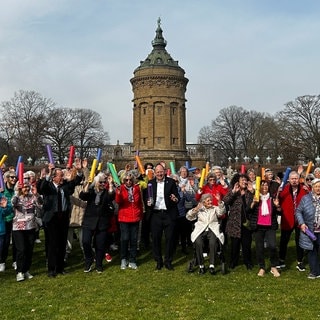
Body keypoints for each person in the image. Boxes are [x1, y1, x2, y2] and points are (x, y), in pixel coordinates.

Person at [38, 161, 83, 277]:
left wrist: (78, 170)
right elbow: (41, 187)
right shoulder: (48, 186)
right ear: (54, 177)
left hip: (62, 217)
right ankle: (51, 269)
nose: (62, 177)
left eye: (62, 175)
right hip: (51, 218)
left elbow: (77, 181)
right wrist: (49, 173)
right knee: (53, 244)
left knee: (62, 243)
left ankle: (60, 267)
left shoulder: (65, 187)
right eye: (60, 175)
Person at [79, 172, 115, 273]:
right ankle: (89, 260)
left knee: (100, 244)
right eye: (100, 182)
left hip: (102, 222)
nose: (103, 184)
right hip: (89, 221)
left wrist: (110, 184)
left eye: (104, 182)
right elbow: (83, 196)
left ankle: (99, 263)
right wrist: (87, 184)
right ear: (96, 182)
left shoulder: (106, 192)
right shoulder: (91, 191)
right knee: (85, 241)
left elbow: (111, 196)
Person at [147, 163, 180, 270]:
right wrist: (148, 203)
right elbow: (147, 197)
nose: (160, 174)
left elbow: (177, 196)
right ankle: (158, 261)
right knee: (156, 239)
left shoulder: (170, 182)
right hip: (156, 214)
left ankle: (168, 261)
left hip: (168, 214)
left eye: (161, 172)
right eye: (157, 172)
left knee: (170, 238)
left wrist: (175, 199)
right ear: (154, 173)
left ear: (165, 171)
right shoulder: (150, 183)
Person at [186, 193, 225, 275]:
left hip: (212, 228)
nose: (210, 202)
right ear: (203, 202)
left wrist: (219, 202)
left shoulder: (215, 208)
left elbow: (222, 212)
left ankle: (212, 265)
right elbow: (188, 217)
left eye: (211, 200)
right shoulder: (200, 209)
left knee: (213, 242)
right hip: (200, 229)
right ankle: (201, 266)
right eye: (208, 201)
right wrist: (196, 209)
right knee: (198, 242)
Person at [12, 181, 43, 281]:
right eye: (24, 187)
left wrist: (36, 194)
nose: (26, 189)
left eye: (27, 187)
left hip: (30, 226)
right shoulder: (16, 197)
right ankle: (19, 271)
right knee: (21, 249)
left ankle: (26, 270)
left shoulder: (32, 196)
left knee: (29, 250)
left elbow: (41, 204)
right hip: (19, 228)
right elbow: (13, 203)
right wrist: (17, 192)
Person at [249, 180, 281, 277]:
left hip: (270, 226)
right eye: (262, 185)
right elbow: (248, 210)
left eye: (266, 185)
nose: (264, 187)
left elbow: (280, 212)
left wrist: (277, 206)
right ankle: (262, 267)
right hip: (258, 226)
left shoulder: (272, 198)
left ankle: (273, 266)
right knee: (259, 248)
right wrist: (253, 203)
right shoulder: (256, 197)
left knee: (272, 246)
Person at [278, 171, 309, 271]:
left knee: (300, 241)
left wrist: (308, 189)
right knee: (284, 240)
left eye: (296, 178)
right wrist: (278, 192)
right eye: (292, 179)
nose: (294, 180)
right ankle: (281, 260)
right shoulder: (284, 189)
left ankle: (300, 261)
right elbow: (277, 200)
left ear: (298, 179)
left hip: (300, 219)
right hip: (287, 219)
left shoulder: (304, 189)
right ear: (289, 180)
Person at [224, 173, 254, 270]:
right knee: (235, 245)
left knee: (246, 244)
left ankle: (248, 262)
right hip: (234, 222)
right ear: (237, 182)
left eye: (245, 180)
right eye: (242, 180)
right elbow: (225, 201)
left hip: (246, 222)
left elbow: (252, 206)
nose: (244, 182)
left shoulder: (250, 192)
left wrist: (252, 192)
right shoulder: (233, 191)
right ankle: (233, 262)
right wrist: (233, 191)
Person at [115, 172, 143, 270]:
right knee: (125, 239)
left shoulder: (136, 188)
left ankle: (132, 260)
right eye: (126, 180)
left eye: (130, 180)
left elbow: (139, 202)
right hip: (124, 217)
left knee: (134, 240)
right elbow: (118, 201)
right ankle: (123, 258)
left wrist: (140, 213)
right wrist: (118, 193)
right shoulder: (121, 188)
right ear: (123, 180)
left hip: (135, 216)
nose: (128, 181)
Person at [295, 178, 320, 279]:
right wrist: (301, 223)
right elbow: (298, 211)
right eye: (316, 186)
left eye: (319, 187)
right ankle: (314, 272)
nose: (318, 188)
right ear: (312, 187)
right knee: (311, 250)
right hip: (310, 230)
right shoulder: (305, 198)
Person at [0, 170, 17, 272]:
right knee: (5, 242)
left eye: (15, 177)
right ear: (6, 179)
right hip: (5, 219)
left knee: (16, 241)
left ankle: (15, 261)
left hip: (16, 219)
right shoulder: (2, 191)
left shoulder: (16, 190)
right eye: (11, 177)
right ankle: (2, 262)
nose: (14, 179)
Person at [0, 194, 11, 274]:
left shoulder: (2, 196)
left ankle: (2, 262)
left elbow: (7, 212)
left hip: (2, 228)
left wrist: (4, 207)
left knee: (3, 246)